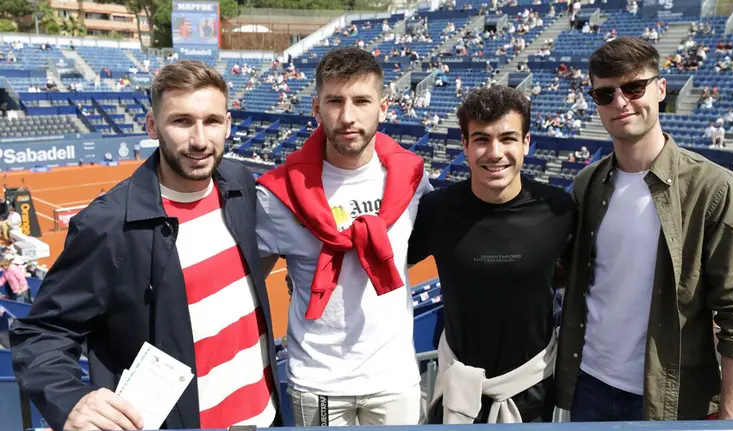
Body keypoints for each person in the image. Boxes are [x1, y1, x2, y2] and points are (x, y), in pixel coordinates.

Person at [11, 60, 282, 431]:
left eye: (212, 121)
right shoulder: (107, 224)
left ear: (228, 124)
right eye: (182, 121)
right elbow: (41, 332)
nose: (200, 140)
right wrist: (70, 400)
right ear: (152, 126)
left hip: (266, 417)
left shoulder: (238, 183)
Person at [556, 37, 733, 421]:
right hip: (590, 385)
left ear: (661, 89)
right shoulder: (587, 184)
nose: (620, 102)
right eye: (605, 94)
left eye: (634, 87)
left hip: (671, 398)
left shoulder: (716, 189)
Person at [256, 47, 432, 426]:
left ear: (383, 107)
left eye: (362, 100)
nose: (348, 116)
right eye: (335, 101)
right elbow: (244, 282)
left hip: (394, 379)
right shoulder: (277, 195)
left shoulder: (415, 182)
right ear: (316, 109)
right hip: (317, 381)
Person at [407, 86, 575, 424]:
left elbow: (571, 273)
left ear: (527, 143)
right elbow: (387, 261)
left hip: (534, 394)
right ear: (465, 146)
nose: (495, 152)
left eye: (508, 138)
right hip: (456, 390)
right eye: (481, 139)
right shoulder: (437, 210)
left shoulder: (559, 209)